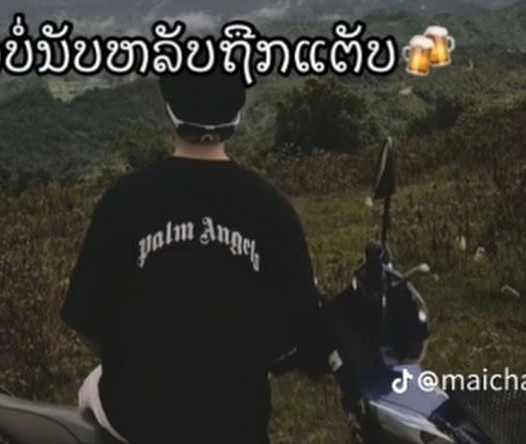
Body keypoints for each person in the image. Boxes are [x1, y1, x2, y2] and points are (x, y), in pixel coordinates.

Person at [60, 66, 334, 444]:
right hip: (238, 425)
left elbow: (87, 325)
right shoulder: (273, 209)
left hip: (137, 417)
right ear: (236, 115)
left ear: (168, 108)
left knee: (90, 389)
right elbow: (298, 332)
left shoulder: (123, 200)